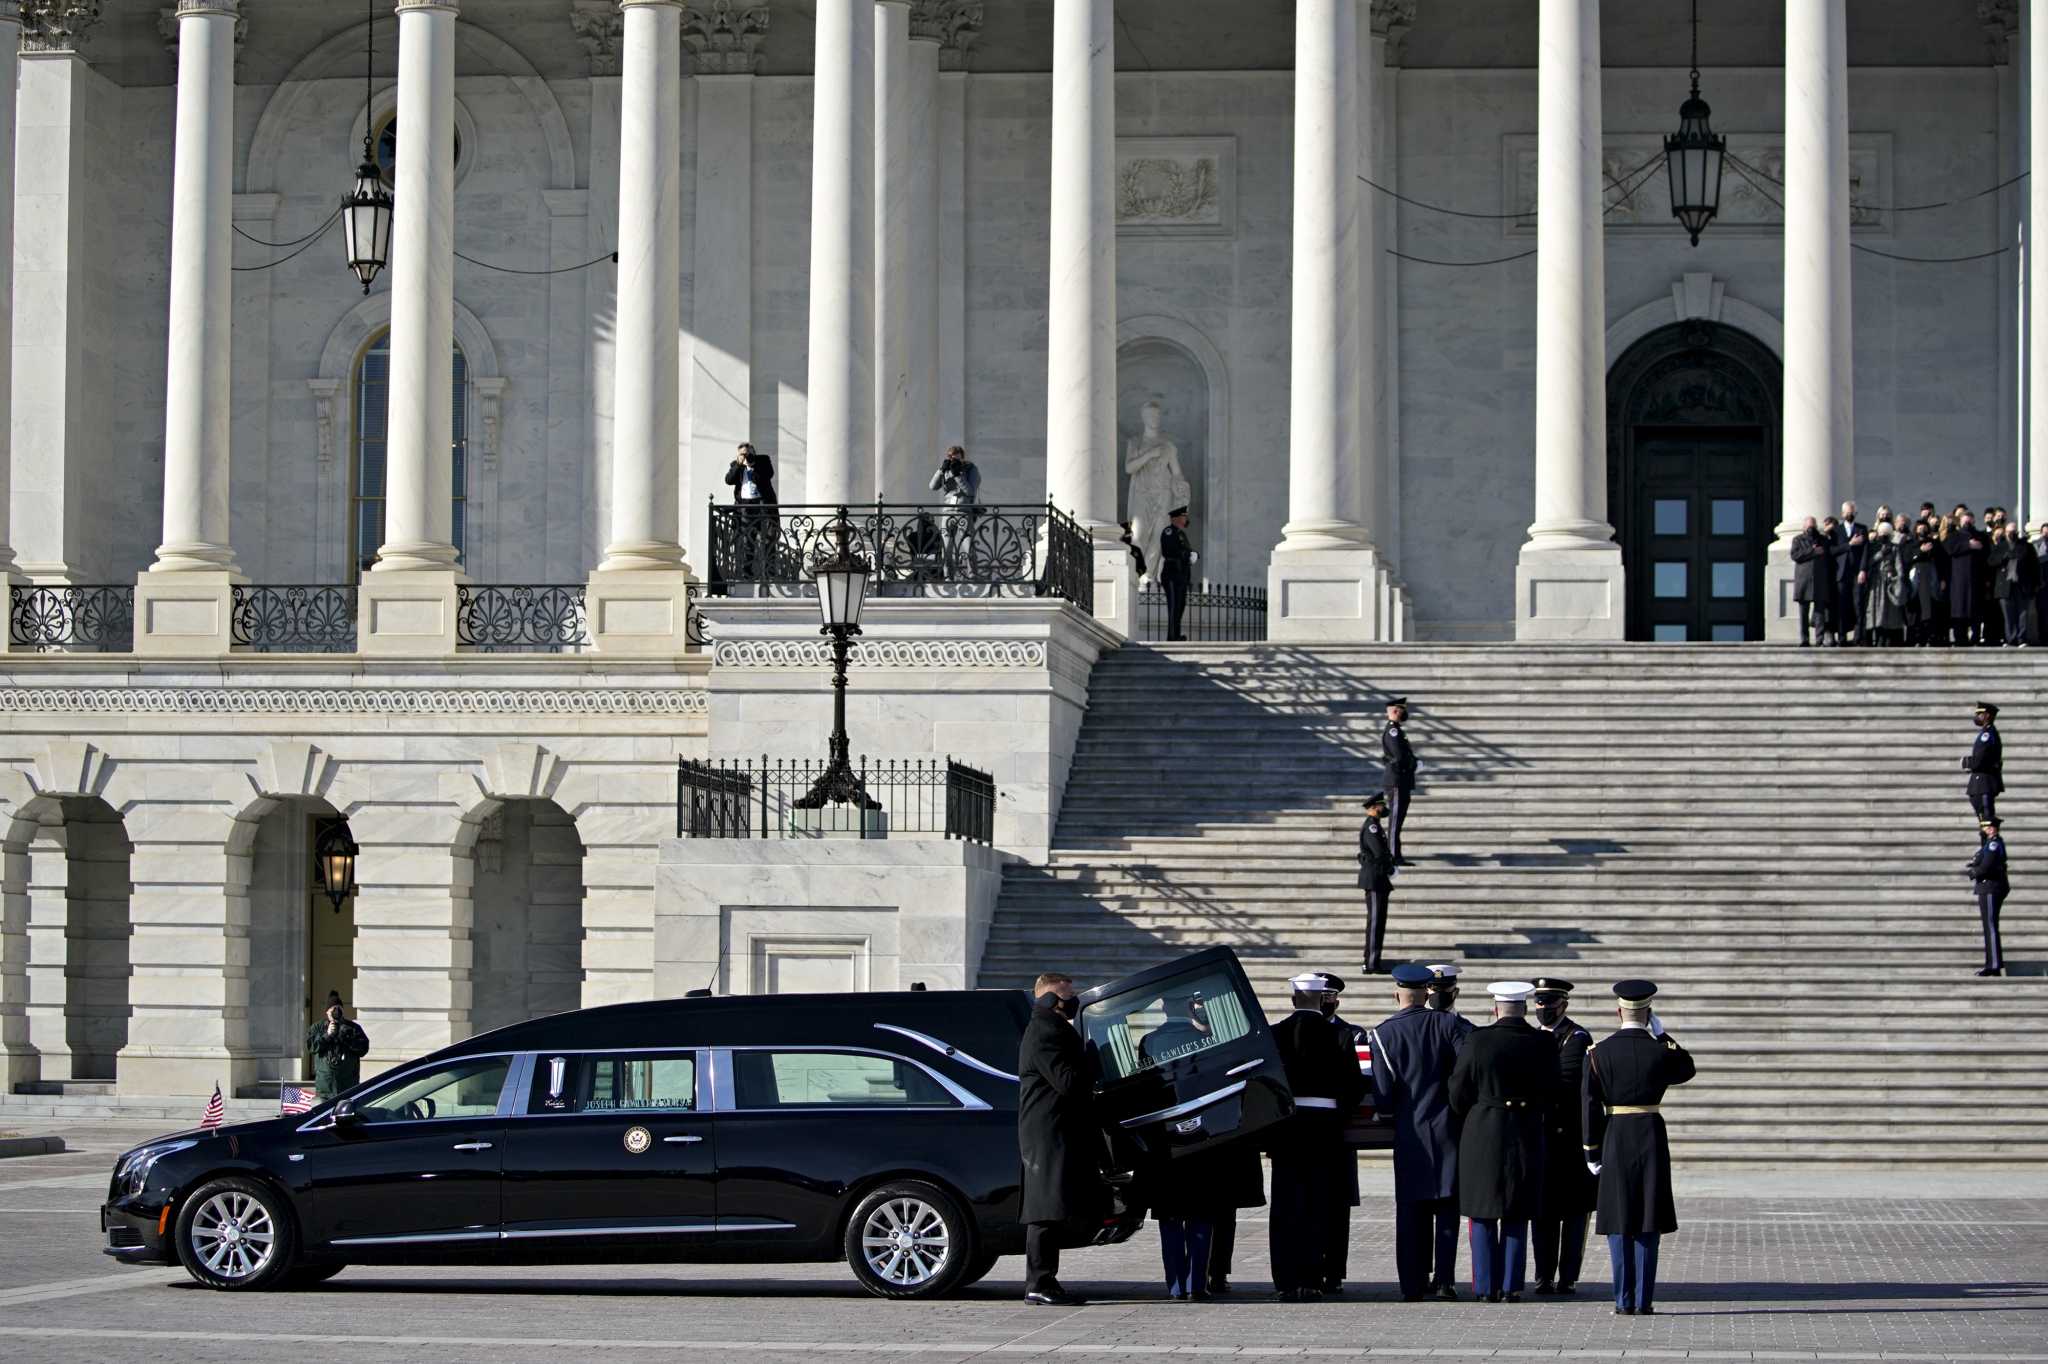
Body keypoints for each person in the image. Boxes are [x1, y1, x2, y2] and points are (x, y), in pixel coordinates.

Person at [1582, 980, 1697, 1317]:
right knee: (1648, 1216)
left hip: (1615, 1134)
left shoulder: (1597, 1052)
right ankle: (1644, 1300)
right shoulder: (1660, 1050)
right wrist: (1663, 1036)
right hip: (1649, 1132)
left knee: (1619, 1218)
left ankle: (1623, 1300)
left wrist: (1591, 1150)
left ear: (1618, 1011)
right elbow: (1686, 1069)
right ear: (1649, 1013)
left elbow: (1588, 1105)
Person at [1447, 981, 1557, 1304]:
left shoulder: (1478, 1040)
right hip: (1526, 1130)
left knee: (1481, 1213)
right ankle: (1510, 1285)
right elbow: (1552, 1091)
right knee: (1517, 1210)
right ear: (1524, 1009)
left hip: (1483, 1130)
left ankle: (1484, 1286)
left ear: (1495, 1009)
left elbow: (1457, 1091)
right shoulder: (1543, 1042)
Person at [1369, 962, 1471, 1302]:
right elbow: (1464, 1073)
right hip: (1448, 1128)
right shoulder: (1449, 1024)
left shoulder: (1383, 1033)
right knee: (1446, 1207)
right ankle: (1444, 1280)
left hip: (1410, 1132)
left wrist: (1389, 1112)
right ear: (1429, 992)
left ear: (1397, 992)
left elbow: (1384, 1096)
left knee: (1411, 1210)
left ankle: (1411, 1283)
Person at [1267, 971, 1365, 1301]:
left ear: (1294, 999)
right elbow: (1354, 1085)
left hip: (1288, 1128)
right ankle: (1313, 1279)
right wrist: (1338, 1111)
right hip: (1325, 1129)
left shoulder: (1275, 1033)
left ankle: (1285, 1280)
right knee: (1318, 1206)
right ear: (1322, 1000)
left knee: (1285, 1206)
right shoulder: (1339, 1034)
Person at [1017, 970, 1101, 1305]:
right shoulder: (1044, 1032)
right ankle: (1038, 1283)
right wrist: (1093, 1060)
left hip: (1054, 1130)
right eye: (1067, 997)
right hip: (1046, 1133)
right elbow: (1067, 1082)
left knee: (1051, 1208)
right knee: (1044, 1210)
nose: (1073, 1002)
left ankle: (1045, 1280)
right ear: (1049, 999)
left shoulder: (1052, 1029)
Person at [1528, 978, 1596, 1296]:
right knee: (1542, 1212)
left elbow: (1567, 1080)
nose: (1543, 1009)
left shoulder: (1577, 1037)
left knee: (1573, 1214)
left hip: (1569, 1139)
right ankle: (1543, 1275)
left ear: (1563, 1005)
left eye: (1550, 1004)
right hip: (1540, 1139)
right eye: (1539, 1003)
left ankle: (1568, 1275)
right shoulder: (1531, 1036)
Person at [1319, 974, 1367, 1295]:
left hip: (1341, 1133)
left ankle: (1334, 1272)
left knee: (1337, 1208)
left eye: (1330, 996)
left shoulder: (1353, 1034)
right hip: (1309, 1133)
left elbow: (1364, 1080)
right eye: (1320, 996)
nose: (1326, 1002)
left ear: (1338, 1000)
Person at [724, 441, 780, 579]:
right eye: (743, 454)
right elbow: (729, 480)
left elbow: (766, 477)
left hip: (763, 505)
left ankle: (769, 572)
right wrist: (738, 464)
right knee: (746, 541)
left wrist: (752, 466)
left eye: (748, 454)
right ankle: (745, 573)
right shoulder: (735, 465)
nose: (746, 456)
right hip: (745, 507)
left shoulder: (763, 461)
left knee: (768, 539)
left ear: (754, 453)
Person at [1357, 792, 1396, 974]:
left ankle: (1374, 960)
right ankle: (1371, 962)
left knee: (1379, 922)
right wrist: (1390, 868)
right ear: (1373, 807)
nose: (1383, 808)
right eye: (1381, 805)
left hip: (1378, 879)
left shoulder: (1376, 826)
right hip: (1374, 879)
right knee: (1375, 922)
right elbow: (1379, 853)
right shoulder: (1372, 827)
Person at [1967, 817, 2010, 977]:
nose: (1984, 830)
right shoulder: (1988, 844)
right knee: (1989, 926)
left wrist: (1974, 872)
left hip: (1991, 887)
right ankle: (1992, 963)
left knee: (1990, 926)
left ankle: (1993, 965)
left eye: (1987, 828)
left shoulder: (1993, 844)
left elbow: (1987, 865)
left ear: (1992, 829)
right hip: (1987, 887)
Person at [307, 992, 369, 1100]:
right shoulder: (317, 1028)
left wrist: (347, 1037)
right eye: (333, 1009)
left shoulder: (353, 1028)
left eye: (339, 1008)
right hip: (326, 1086)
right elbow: (311, 1047)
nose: (336, 1012)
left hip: (348, 1085)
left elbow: (363, 1049)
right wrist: (327, 1035)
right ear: (327, 1012)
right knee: (325, 1115)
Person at [1382, 698, 1418, 863]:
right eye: (1402, 710)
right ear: (1396, 711)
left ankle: (1396, 854)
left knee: (1398, 821)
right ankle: (1392, 856)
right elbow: (1399, 756)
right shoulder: (1393, 731)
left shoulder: (1397, 730)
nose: (1404, 714)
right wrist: (1414, 764)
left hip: (1401, 781)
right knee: (1395, 821)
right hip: (1397, 781)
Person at [1860, 520, 1907, 646]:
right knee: (1874, 610)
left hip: (1888, 583)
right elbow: (1868, 563)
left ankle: (1886, 638)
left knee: (1889, 611)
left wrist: (1896, 578)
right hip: (1875, 583)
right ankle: (1876, 635)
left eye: (1886, 533)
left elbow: (1899, 567)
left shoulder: (1895, 548)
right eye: (1882, 533)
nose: (1884, 536)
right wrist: (1880, 554)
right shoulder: (1873, 546)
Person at [1944, 510, 1986, 645]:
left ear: (1974, 521)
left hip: (1976, 580)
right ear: (1960, 522)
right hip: (1958, 580)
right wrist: (1968, 545)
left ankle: (1975, 638)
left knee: (1976, 611)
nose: (1967, 523)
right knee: (1959, 610)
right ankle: (1960, 639)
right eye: (1965, 520)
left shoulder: (1981, 536)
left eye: (1970, 520)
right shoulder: (1954, 535)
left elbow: (1986, 553)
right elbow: (1950, 549)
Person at [1789, 516, 1832, 647]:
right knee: (1803, 612)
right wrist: (1812, 551)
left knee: (1820, 612)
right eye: (1808, 526)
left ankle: (1819, 639)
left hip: (1819, 580)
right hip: (1804, 581)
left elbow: (1827, 554)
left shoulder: (1823, 539)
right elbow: (1795, 555)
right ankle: (1804, 639)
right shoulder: (1797, 539)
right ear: (1803, 527)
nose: (1810, 528)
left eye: (1813, 526)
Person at [1833, 501, 1868, 645]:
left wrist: (1862, 570)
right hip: (1841, 574)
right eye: (1847, 512)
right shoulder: (1836, 531)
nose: (1850, 514)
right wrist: (1850, 544)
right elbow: (1833, 551)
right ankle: (1841, 637)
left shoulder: (1862, 529)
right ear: (1842, 514)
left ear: (1856, 513)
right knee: (1842, 606)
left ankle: (1858, 637)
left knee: (1858, 605)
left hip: (1856, 574)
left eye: (1852, 511)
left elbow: (1866, 551)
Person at [1159, 506, 1195, 641]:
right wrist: (1187, 554)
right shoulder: (1169, 532)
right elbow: (1169, 551)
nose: (1186, 519)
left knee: (1180, 605)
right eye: (1184, 517)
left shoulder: (1181, 534)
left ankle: (1176, 634)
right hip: (1172, 574)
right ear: (1176, 518)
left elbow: (1185, 551)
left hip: (1181, 575)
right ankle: (1172, 636)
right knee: (1174, 606)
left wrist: (1192, 555)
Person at [1965, 701, 2003, 825]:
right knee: (1984, 822)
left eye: (1980, 714)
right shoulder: (1986, 732)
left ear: (1987, 715)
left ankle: (1988, 843)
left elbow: (1981, 759)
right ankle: (1985, 843)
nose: (1977, 717)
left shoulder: (1987, 734)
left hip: (1984, 783)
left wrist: (1967, 762)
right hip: (1980, 783)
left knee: (1987, 822)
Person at [2004, 523, 2040, 646]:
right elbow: (1991, 562)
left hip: (2022, 585)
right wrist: (2004, 556)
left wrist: (2036, 584)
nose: (2011, 534)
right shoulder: (2002, 546)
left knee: (2022, 613)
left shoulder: (2027, 547)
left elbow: (2035, 566)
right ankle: (2011, 639)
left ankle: (2021, 639)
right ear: (2005, 532)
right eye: (2009, 531)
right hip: (2005, 586)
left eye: (2014, 531)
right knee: (2009, 614)